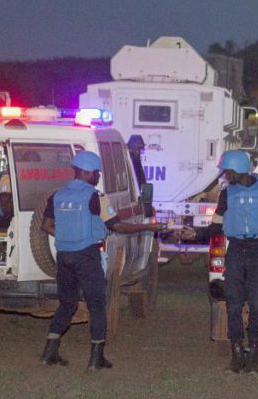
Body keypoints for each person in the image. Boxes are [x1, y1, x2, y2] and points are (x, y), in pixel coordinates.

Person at [38, 150, 166, 370]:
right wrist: (149, 227)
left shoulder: (56, 195)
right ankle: (96, 358)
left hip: (64, 256)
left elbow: (46, 226)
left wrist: (66, 236)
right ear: (87, 173)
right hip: (87, 255)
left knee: (66, 304)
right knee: (97, 305)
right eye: (96, 173)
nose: (98, 177)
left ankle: (49, 352)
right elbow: (116, 226)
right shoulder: (95, 197)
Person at [180, 150, 258, 374]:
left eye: (227, 171)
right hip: (236, 251)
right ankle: (237, 353)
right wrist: (194, 235)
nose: (225, 176)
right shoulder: (226, 194)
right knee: (233, 304)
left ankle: (253, 354)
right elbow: (215, 226)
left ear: (239, 169)